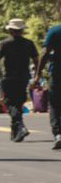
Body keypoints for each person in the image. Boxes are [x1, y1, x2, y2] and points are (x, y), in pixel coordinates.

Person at [0, 18, 38, 142]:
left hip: (8, 78)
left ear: (10, 30)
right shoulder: (29, 43)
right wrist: (37, 76)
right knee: (18, 103)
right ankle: (16, 132)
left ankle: (20, 127)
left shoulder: (4, 43)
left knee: (10, 104)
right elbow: (37, 61)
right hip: (23, 78)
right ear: (22, 31)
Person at [32, 18, 61, 150]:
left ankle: (58, 134)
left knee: (54, 104)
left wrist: (38, 74)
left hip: (57, 74)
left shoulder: (55, 31)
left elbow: (45, 53)